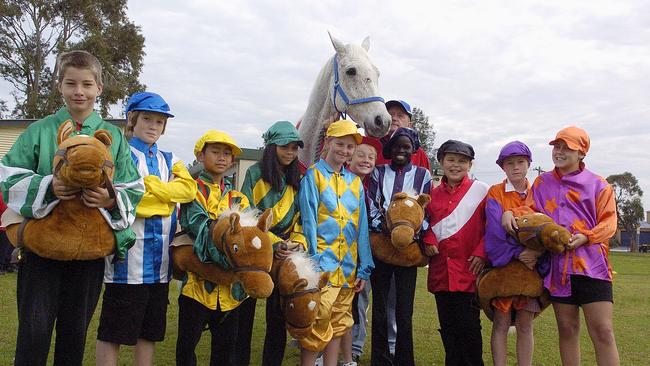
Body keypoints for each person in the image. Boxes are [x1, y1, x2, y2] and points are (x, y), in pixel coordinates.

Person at [0, 50, 143, 366]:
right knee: (34, 333)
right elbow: (8, 175)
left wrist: (109, 198)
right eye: (71, 83)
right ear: (60, 86)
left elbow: (133, 186)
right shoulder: (39, 130)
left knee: (74, 334)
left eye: (87, 84)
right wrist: (49, 186)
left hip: (88, 254)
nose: (79, 91)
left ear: (99, 88)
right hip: (42, 252)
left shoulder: (114, 138)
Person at [504, 126, 620, 366]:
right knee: (567, 330)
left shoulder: (599, 185)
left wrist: (586, 236)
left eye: (567, 147)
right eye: (557, 146)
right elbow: (532, 211)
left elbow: (609, 223)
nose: (559, 151)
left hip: (592, 268)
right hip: (560, 269)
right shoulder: (542, 182)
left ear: (582, 153)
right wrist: (510, 212)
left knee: (603, 331)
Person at [95, 92, 196, 366]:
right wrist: (164, 199)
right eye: (147, 119)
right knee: (113, 332)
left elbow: (188, 190)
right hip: (126, 262)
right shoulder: (120, 153)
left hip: (159, 264)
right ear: (132, 119)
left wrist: (149, 187)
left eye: (160, 121)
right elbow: (123, 198)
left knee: (149, 333)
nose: (153, 126)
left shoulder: (170, 157)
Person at [298, 119, 374, 366]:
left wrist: (364, 266)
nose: (345, 150)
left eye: (350, 147)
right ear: (328, 143)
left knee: (339, 323)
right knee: (316, 323)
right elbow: (308, 222)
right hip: (322, 266)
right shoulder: (313, 176)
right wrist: (312, 263)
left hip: (348, 267)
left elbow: (361, 228)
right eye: (340, 144)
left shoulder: (355, 183)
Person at [175, 130, 250, 366]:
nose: (222, 158)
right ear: (200, 155)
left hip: (231, 292)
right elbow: (197, 225)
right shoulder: (192, 191)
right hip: (197, 286)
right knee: (187, 347)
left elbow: (247, 236)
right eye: (215, 152)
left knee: (225, 350)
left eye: (227, 154)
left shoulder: (239, 198)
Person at [236, 121, 304, 366]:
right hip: (256, 251)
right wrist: (274, 242)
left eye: (294, 148)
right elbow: (247, 213)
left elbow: (300, 216)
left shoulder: (298, 176)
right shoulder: (255, 172)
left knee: (277, 316)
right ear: (272, 146)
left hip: (284, 254)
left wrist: (297, 242)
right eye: (285, 146)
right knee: (244, 312)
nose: (290, 152)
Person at [367, 127, 433, 366]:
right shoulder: (379, 172)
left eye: (406, 147)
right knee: (381, 307)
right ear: (390, 149)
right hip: (382, 248)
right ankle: (380, 360)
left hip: (408, 251)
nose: (401, 151)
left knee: (405, 309)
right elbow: (372, 205)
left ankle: (405, 360)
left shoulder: (423, 175)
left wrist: (412, 232)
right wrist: (387, 228)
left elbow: (426, 210)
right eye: (397, 146)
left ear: (413, 150)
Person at [422, 139, 488, 366]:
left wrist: (481, 253)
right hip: (441, 271)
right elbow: (424, 224)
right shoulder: (431, 194)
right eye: (451, 160)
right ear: (441, 162)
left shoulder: (481, 190)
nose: (456, 165)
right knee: (448, 326)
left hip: (469, 269)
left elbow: (493, 228)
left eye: (462, 161)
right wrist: (428, 238)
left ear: (470, 165)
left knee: (469, 326)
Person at [484, 141, 539, 366]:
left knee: (526, 323)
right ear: (502, 167)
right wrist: (519, 253)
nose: (515, 167)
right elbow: (495, 230)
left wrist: (537, 251)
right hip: (505, 268)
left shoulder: (538, 191)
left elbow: (545, 225)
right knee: (501, 323)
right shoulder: (495, 192)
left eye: (520, 162)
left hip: (530, 268)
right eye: (510, 163)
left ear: (528, 164)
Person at [340, 136, 381, 364]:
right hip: (338, 253)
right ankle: (322, 349)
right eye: (361, 155)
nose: (366, 160)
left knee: (360, 302)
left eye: (371, 157)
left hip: (363, 255)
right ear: (350, 157)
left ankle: (354, 348)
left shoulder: (373, 186)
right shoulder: (339, 181)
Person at [375, 100, 430, 170]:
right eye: (390, 115)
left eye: (400, 116)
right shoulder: (372, 146)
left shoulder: (419, 154)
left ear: (409, 125)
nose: (394, 118)